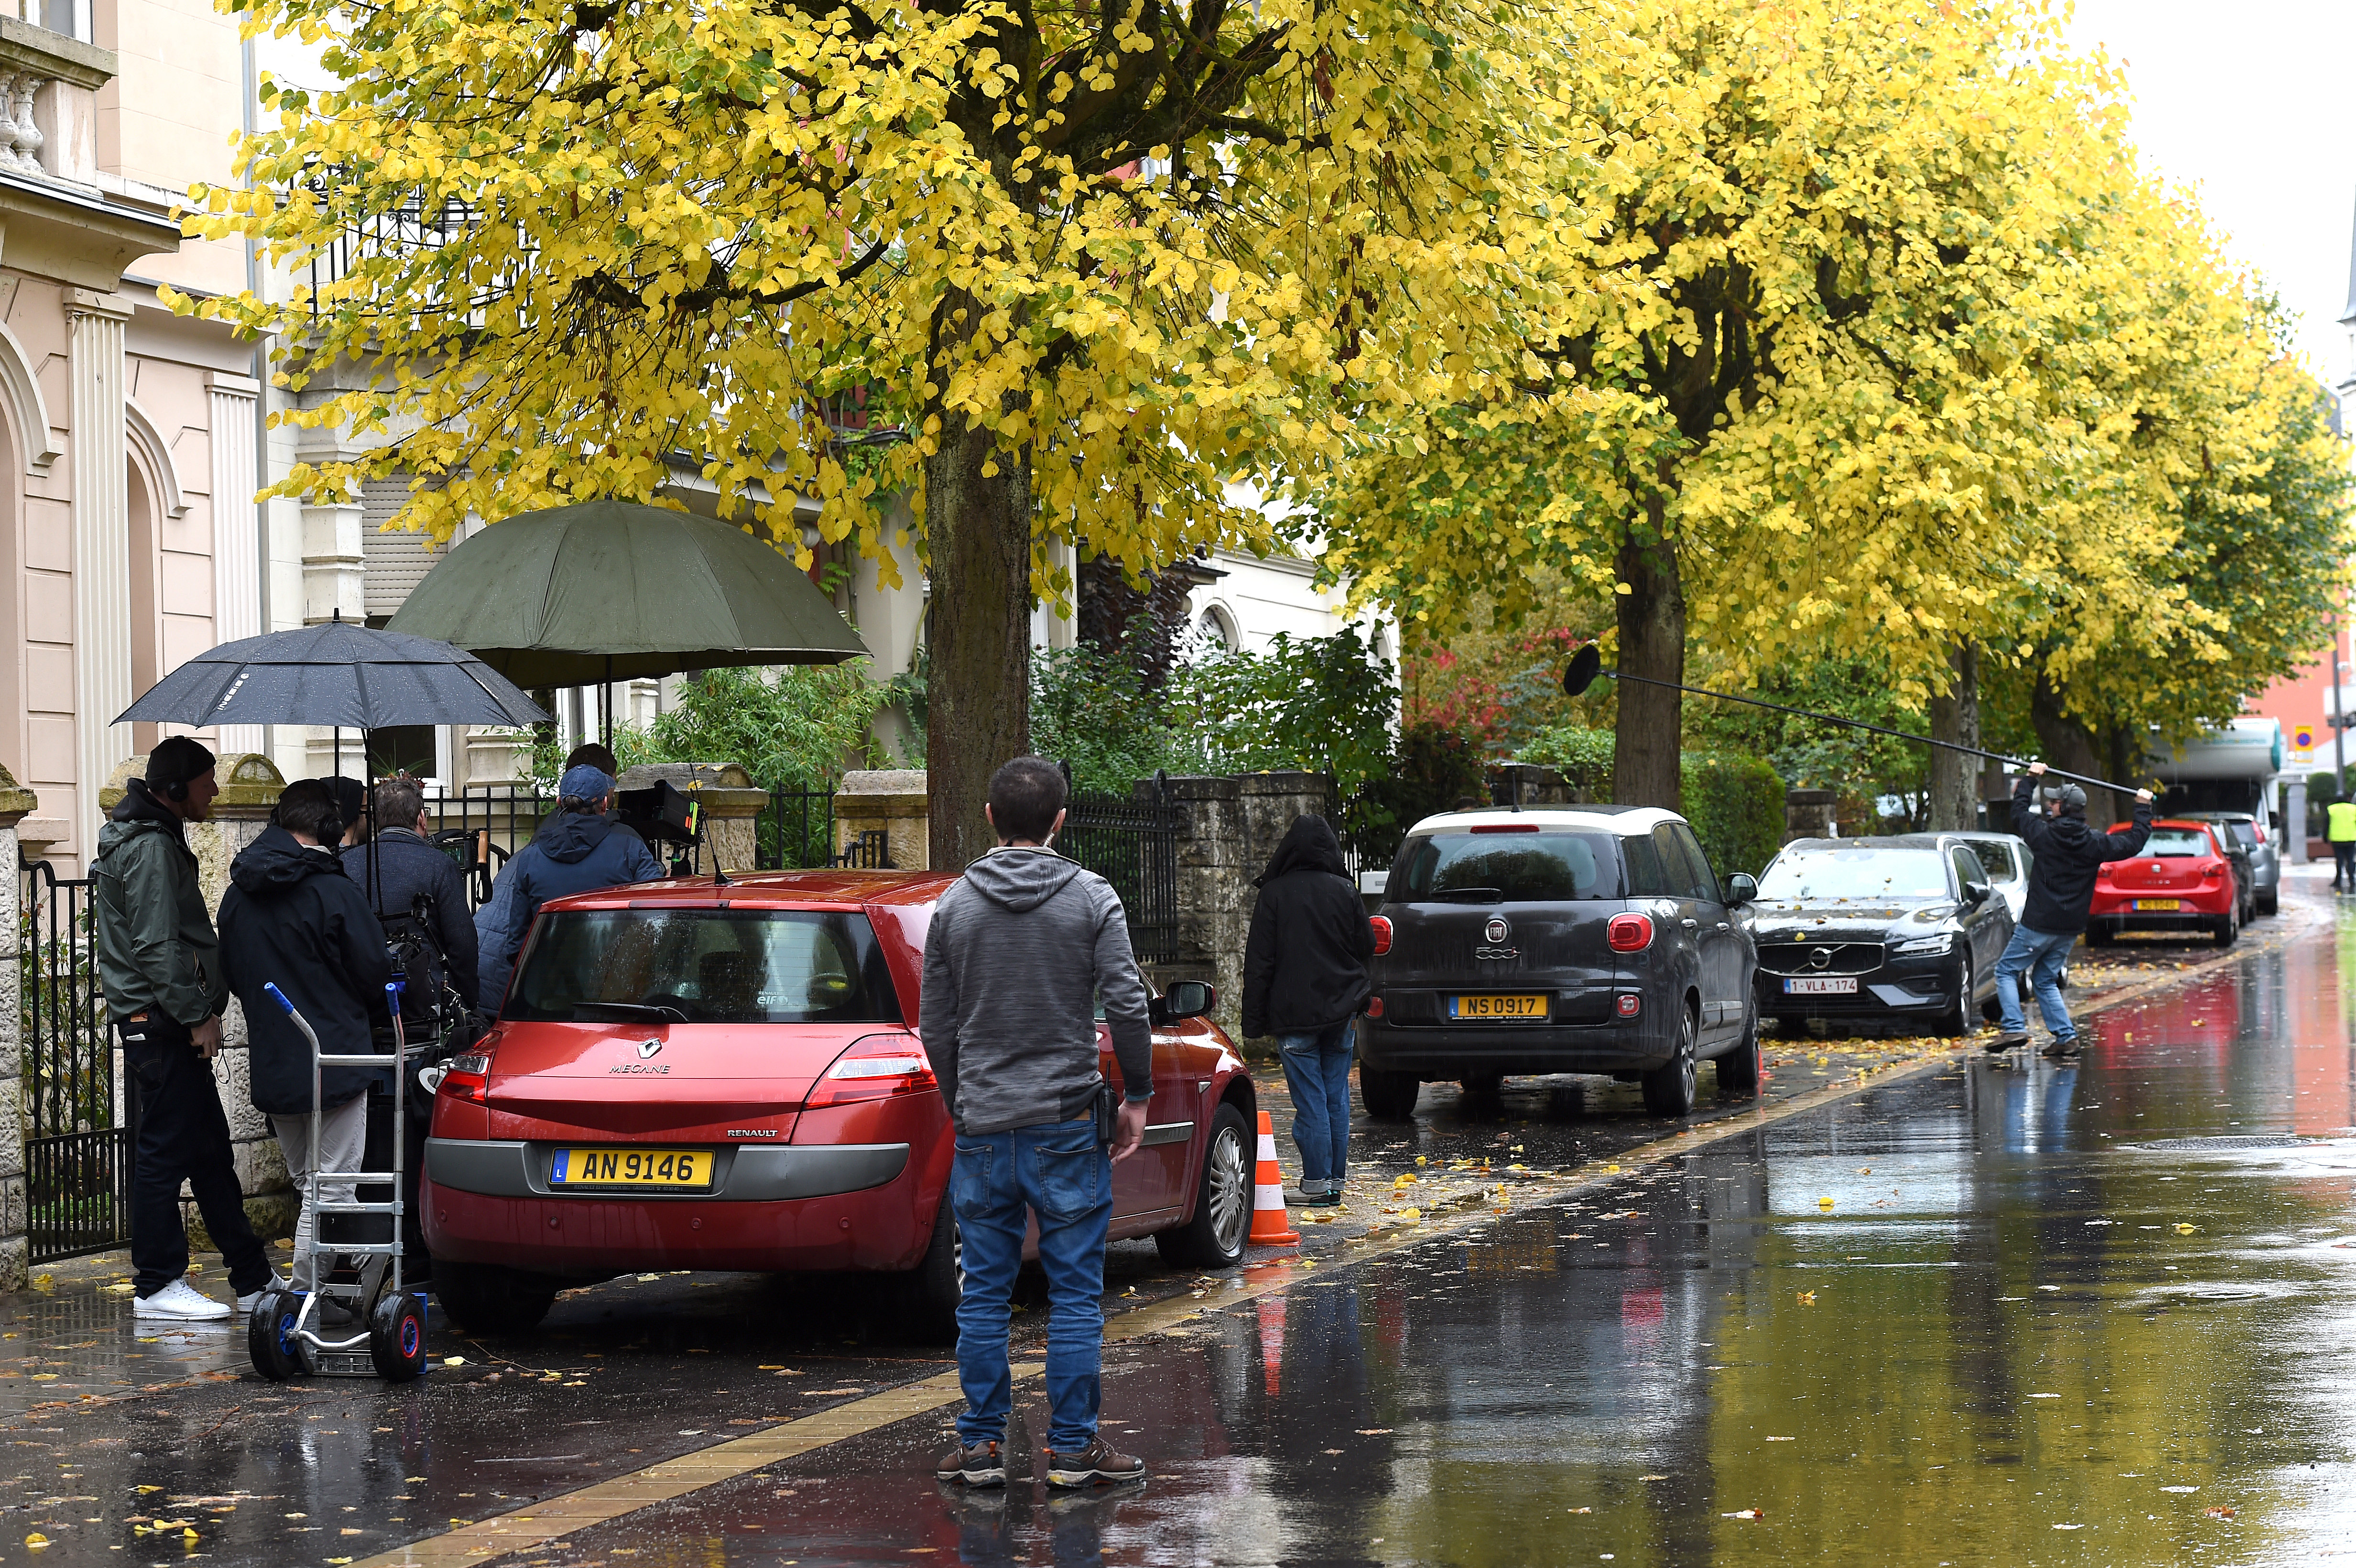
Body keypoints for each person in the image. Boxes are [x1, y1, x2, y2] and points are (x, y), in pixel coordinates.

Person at [924, 757, 1151, 1491]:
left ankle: (983, 1446)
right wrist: (1137, 1098)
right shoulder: (1092, 899)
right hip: (1066, 1125)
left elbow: (937, 1028)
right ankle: (1073, 1449)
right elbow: (1126, 1004)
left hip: (987, 1128)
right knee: (1076, 1293)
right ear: (1060, 821)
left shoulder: (955, 907)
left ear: (990, 818)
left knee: (985, 1295)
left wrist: (965, 1102)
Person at [90, 737, 280, 1320]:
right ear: (174, 791)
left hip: (168, 1016)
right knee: (163, 1154)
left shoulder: (156, 839)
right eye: (205, 784)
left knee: (209, 1153)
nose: (216, 793)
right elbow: (154, 944)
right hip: (162, 1020)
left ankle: (252, 1277)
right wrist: (197, 1014)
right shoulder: (149, 848)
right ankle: (156, 1284)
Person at [217, 780, 394, 1301]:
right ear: (330, 829)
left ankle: (364, 1263)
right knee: (330, 1190)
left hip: (275, 1064)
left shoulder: (236, 895)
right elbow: (375, 971)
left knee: (312, 1186)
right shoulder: (334, 891)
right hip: (335, 1059)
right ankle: (295, 1309)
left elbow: (234, 972)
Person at [1242, 814, 1374, 1206]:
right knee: (1336, 1097)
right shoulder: (1345, 891)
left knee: (1311, 1101)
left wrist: (1253, 1023)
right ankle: (1334, 1182)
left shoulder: (1275, 895)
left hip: (1294, 1013)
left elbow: (1260, 963)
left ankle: (1316, 1184)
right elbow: (1365, 945)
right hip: (1342, 1011)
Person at [1990, 763, 2153, 1058]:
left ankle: (2014, 1026)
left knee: (2006, 970)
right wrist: (2142, 808)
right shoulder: (2096, 843)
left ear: (2063, 808)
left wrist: (2031, 779)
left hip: (2038, 923)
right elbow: (2134, 842)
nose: (2050, 806)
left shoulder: (2043, 835)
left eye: (2053, 802)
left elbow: (2018, 812)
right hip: (2069, 928)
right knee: (2043, 979)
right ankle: (2066, 1038)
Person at [474, 763, 663, 1008]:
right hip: (616, 1000)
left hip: (546, 1001)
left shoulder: (529, 859)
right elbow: (656, 927)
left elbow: (517, 946)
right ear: (605, 805)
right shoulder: (631, 851)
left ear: (559, 802)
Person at [343, 775, 480, 1022]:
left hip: (362, 1006)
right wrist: (469, 1001)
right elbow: (463, 946)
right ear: (421, 818)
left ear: (379, 821)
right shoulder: (440, 866)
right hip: (428, 1009)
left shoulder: (347, 864)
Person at [2330, 795, 2356, 893]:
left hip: (2337, 839)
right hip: (2351, 838)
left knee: (2339, 861)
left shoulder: (2331, 809)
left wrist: (2325, 837)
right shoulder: (2353, 809)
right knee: (2350, 860)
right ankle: (2352, 880)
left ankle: (2338, 881)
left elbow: (2326, 824)